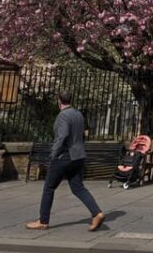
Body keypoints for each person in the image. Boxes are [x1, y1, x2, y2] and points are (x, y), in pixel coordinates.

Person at [25, 91, 105, 231]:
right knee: (78, 187)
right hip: (79, 155)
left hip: (65, 156)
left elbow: (62, 137)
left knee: (49, 187)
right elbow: (82, 134)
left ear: (59, 101)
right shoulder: (78, 114)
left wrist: (53, 154)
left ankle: (43, 221)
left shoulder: (63, 116)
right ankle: (97, 213)